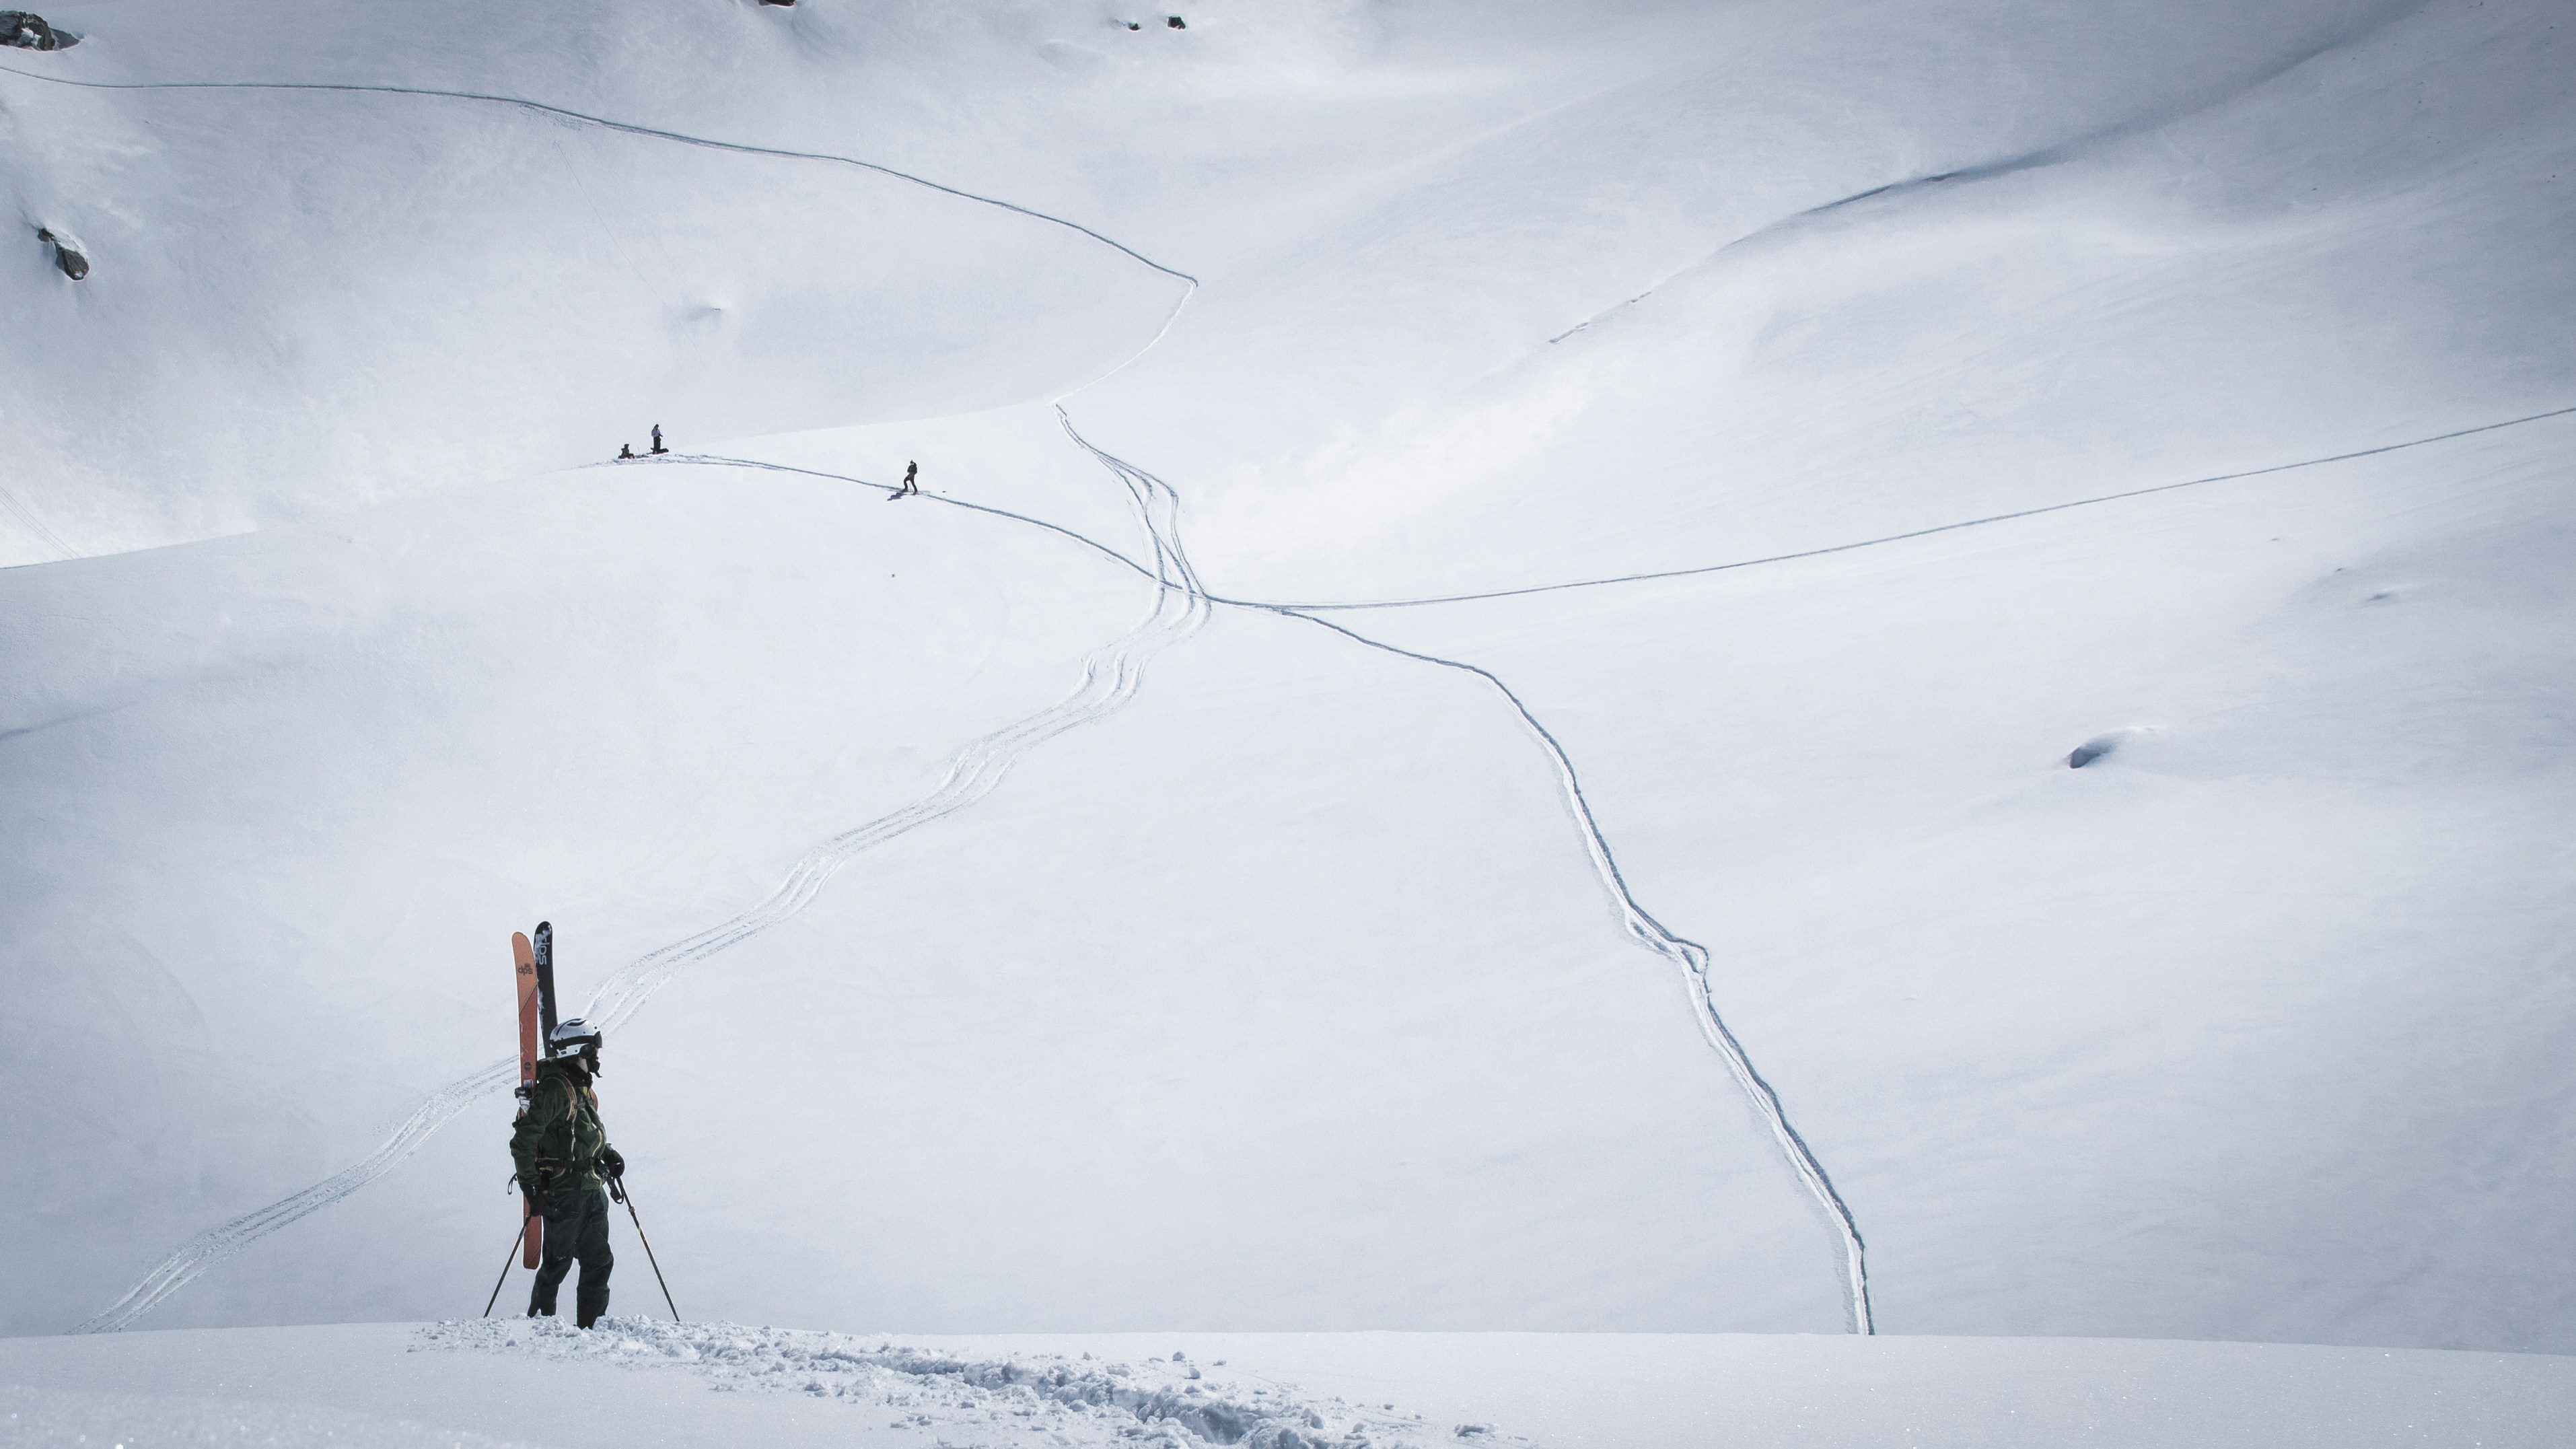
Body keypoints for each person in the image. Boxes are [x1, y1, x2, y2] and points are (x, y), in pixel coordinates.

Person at [511, 1018, 624, 1326]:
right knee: (556, 1266)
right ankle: (539, 1330)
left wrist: (607, 1152)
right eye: (593, 1049)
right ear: (579, 1051)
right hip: (566, 1195)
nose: (597, 1056)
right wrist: (531, 1188)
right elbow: (523, 1142)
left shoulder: (581, 1087)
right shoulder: (556, 1091)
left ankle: (591, 1330)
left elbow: (583, 1134)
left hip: (592, 1191)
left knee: (599, 1262)